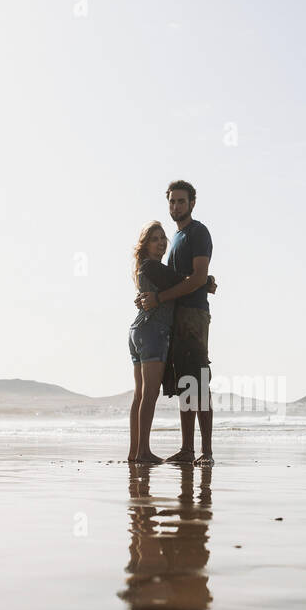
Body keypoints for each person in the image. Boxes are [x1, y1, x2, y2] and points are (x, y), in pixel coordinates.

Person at [135, 180, 215, 465]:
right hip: (176, 319)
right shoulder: (177, 239)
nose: (176, 206)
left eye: (181, 201)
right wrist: (152, 297)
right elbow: (184, 278)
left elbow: (196, 277)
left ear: (192, 203)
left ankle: (205, 451)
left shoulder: (198, 232)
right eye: (172, 202)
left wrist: (159, 298)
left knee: (199, 382)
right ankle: (187, 449)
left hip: (193, 316)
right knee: (185, 384)